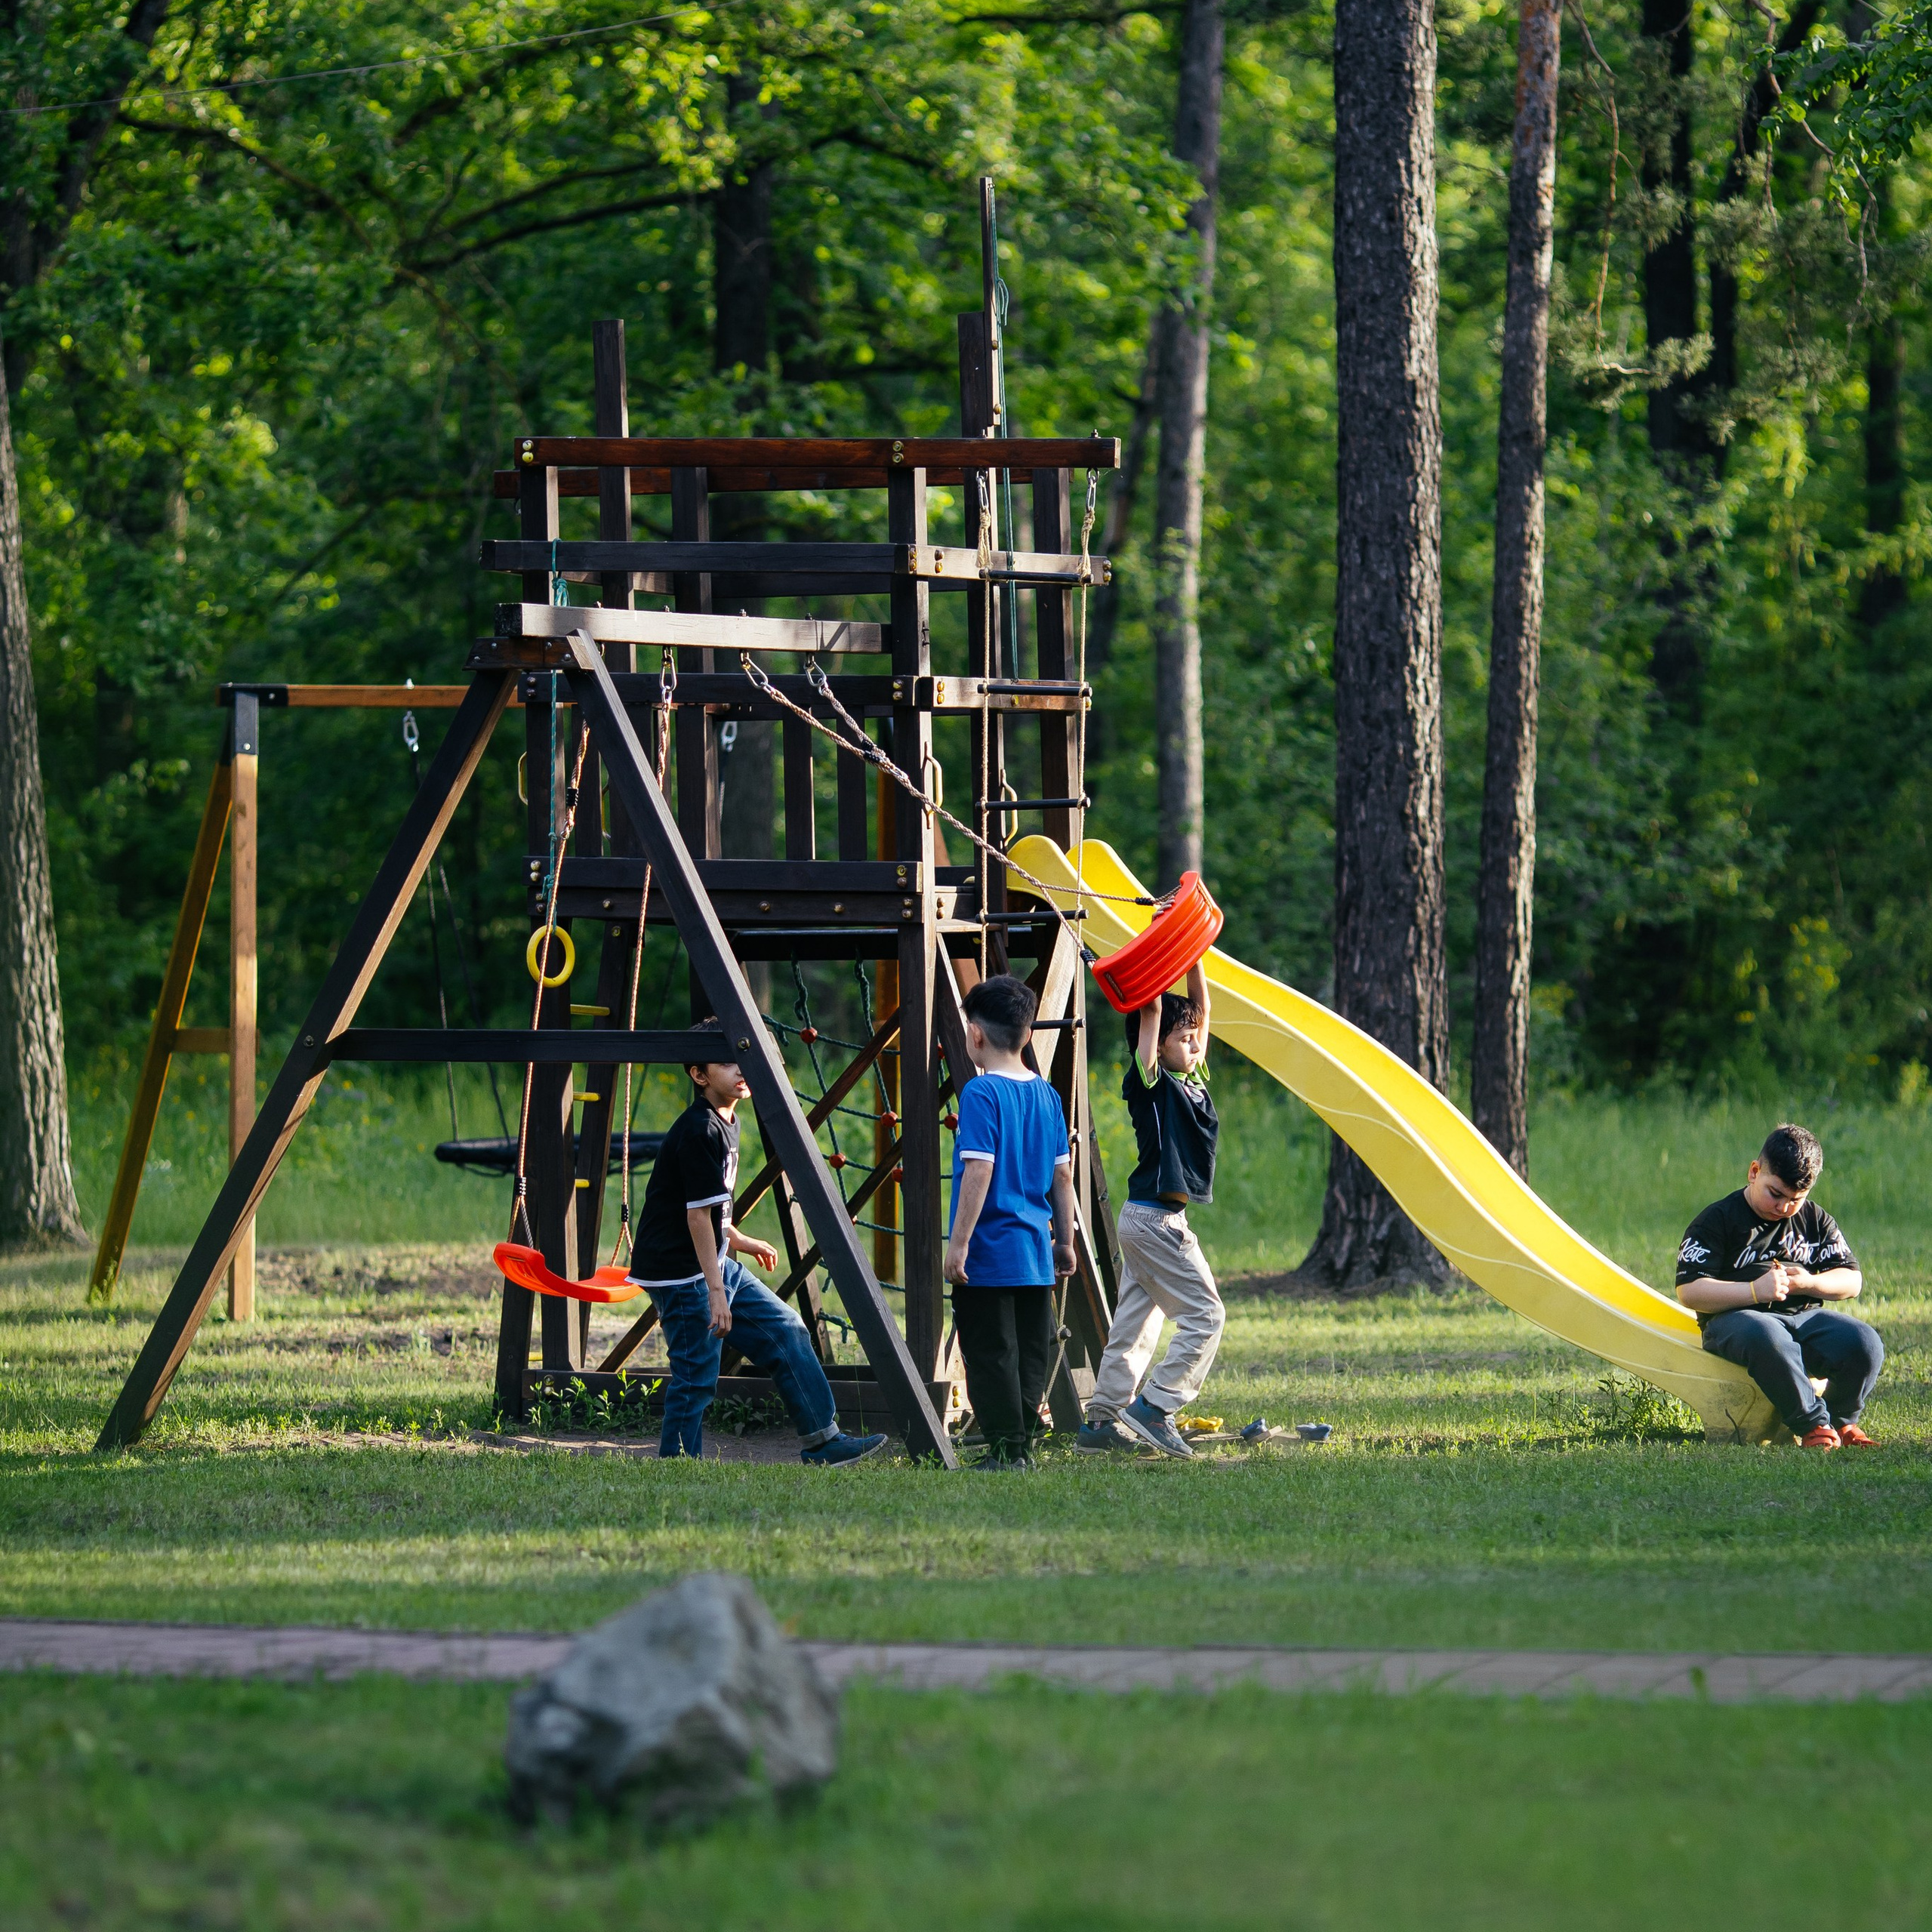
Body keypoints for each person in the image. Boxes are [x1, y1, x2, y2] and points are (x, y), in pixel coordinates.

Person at [628, 1024, 887, 1465]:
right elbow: (694, 1217)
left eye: (743, 1058)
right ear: (699, 1075)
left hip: (711, 1258)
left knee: (786, 1329)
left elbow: (709, 1210)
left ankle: (824, 1442)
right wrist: (715, 1291)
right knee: (696, 1372)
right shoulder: (700, 1131)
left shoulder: (729, 1120)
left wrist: (740, 1240)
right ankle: (675, 1465)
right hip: (682, 1272)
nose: (741, 1069)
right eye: (728, 1062)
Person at [1077, 961, 1224, 1459]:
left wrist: (1193, 953)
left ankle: (1101, 1421)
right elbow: (1154, 1009)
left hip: (1148, 1220)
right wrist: (1158, 960)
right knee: (1206, 1315)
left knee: (1137, 1323)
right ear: (1157, 1045)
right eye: (1183, 1038)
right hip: (1154, 1222)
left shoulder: (1194, 1079)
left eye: (1195, 1037)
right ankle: (1155, 1407)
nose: (1195, 1042)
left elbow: (1200, 1011)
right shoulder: (1152, 1083)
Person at [1675, 1122, 1882, 1450]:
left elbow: (1852, 1280)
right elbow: (1690, 1291)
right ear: (1754, 1172)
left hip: (1802, 1318)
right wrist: (1754, 1292)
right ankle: (1813, 1426)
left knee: (1865, 1342)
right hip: (1734, 1321)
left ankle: (1842, 1423)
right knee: (1769, 1337)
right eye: (1776, 1193)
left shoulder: (1814, 1219)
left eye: (1796, 1199)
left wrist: (1811, 1283)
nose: (1784, 1207)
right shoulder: (1717, 1220)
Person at [942, 973, 1079, 1471]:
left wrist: (957, 1246)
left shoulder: (981, 1093)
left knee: (988, 1351)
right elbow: (1061, 1177)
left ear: (975, 1034)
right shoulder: (1046, 1095)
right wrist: (1064, 1242)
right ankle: (1020, 1446)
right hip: (1035, 1253)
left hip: (989, 1253)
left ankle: (1005, 1448)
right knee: (1027, 1353)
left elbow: (980, 1167)